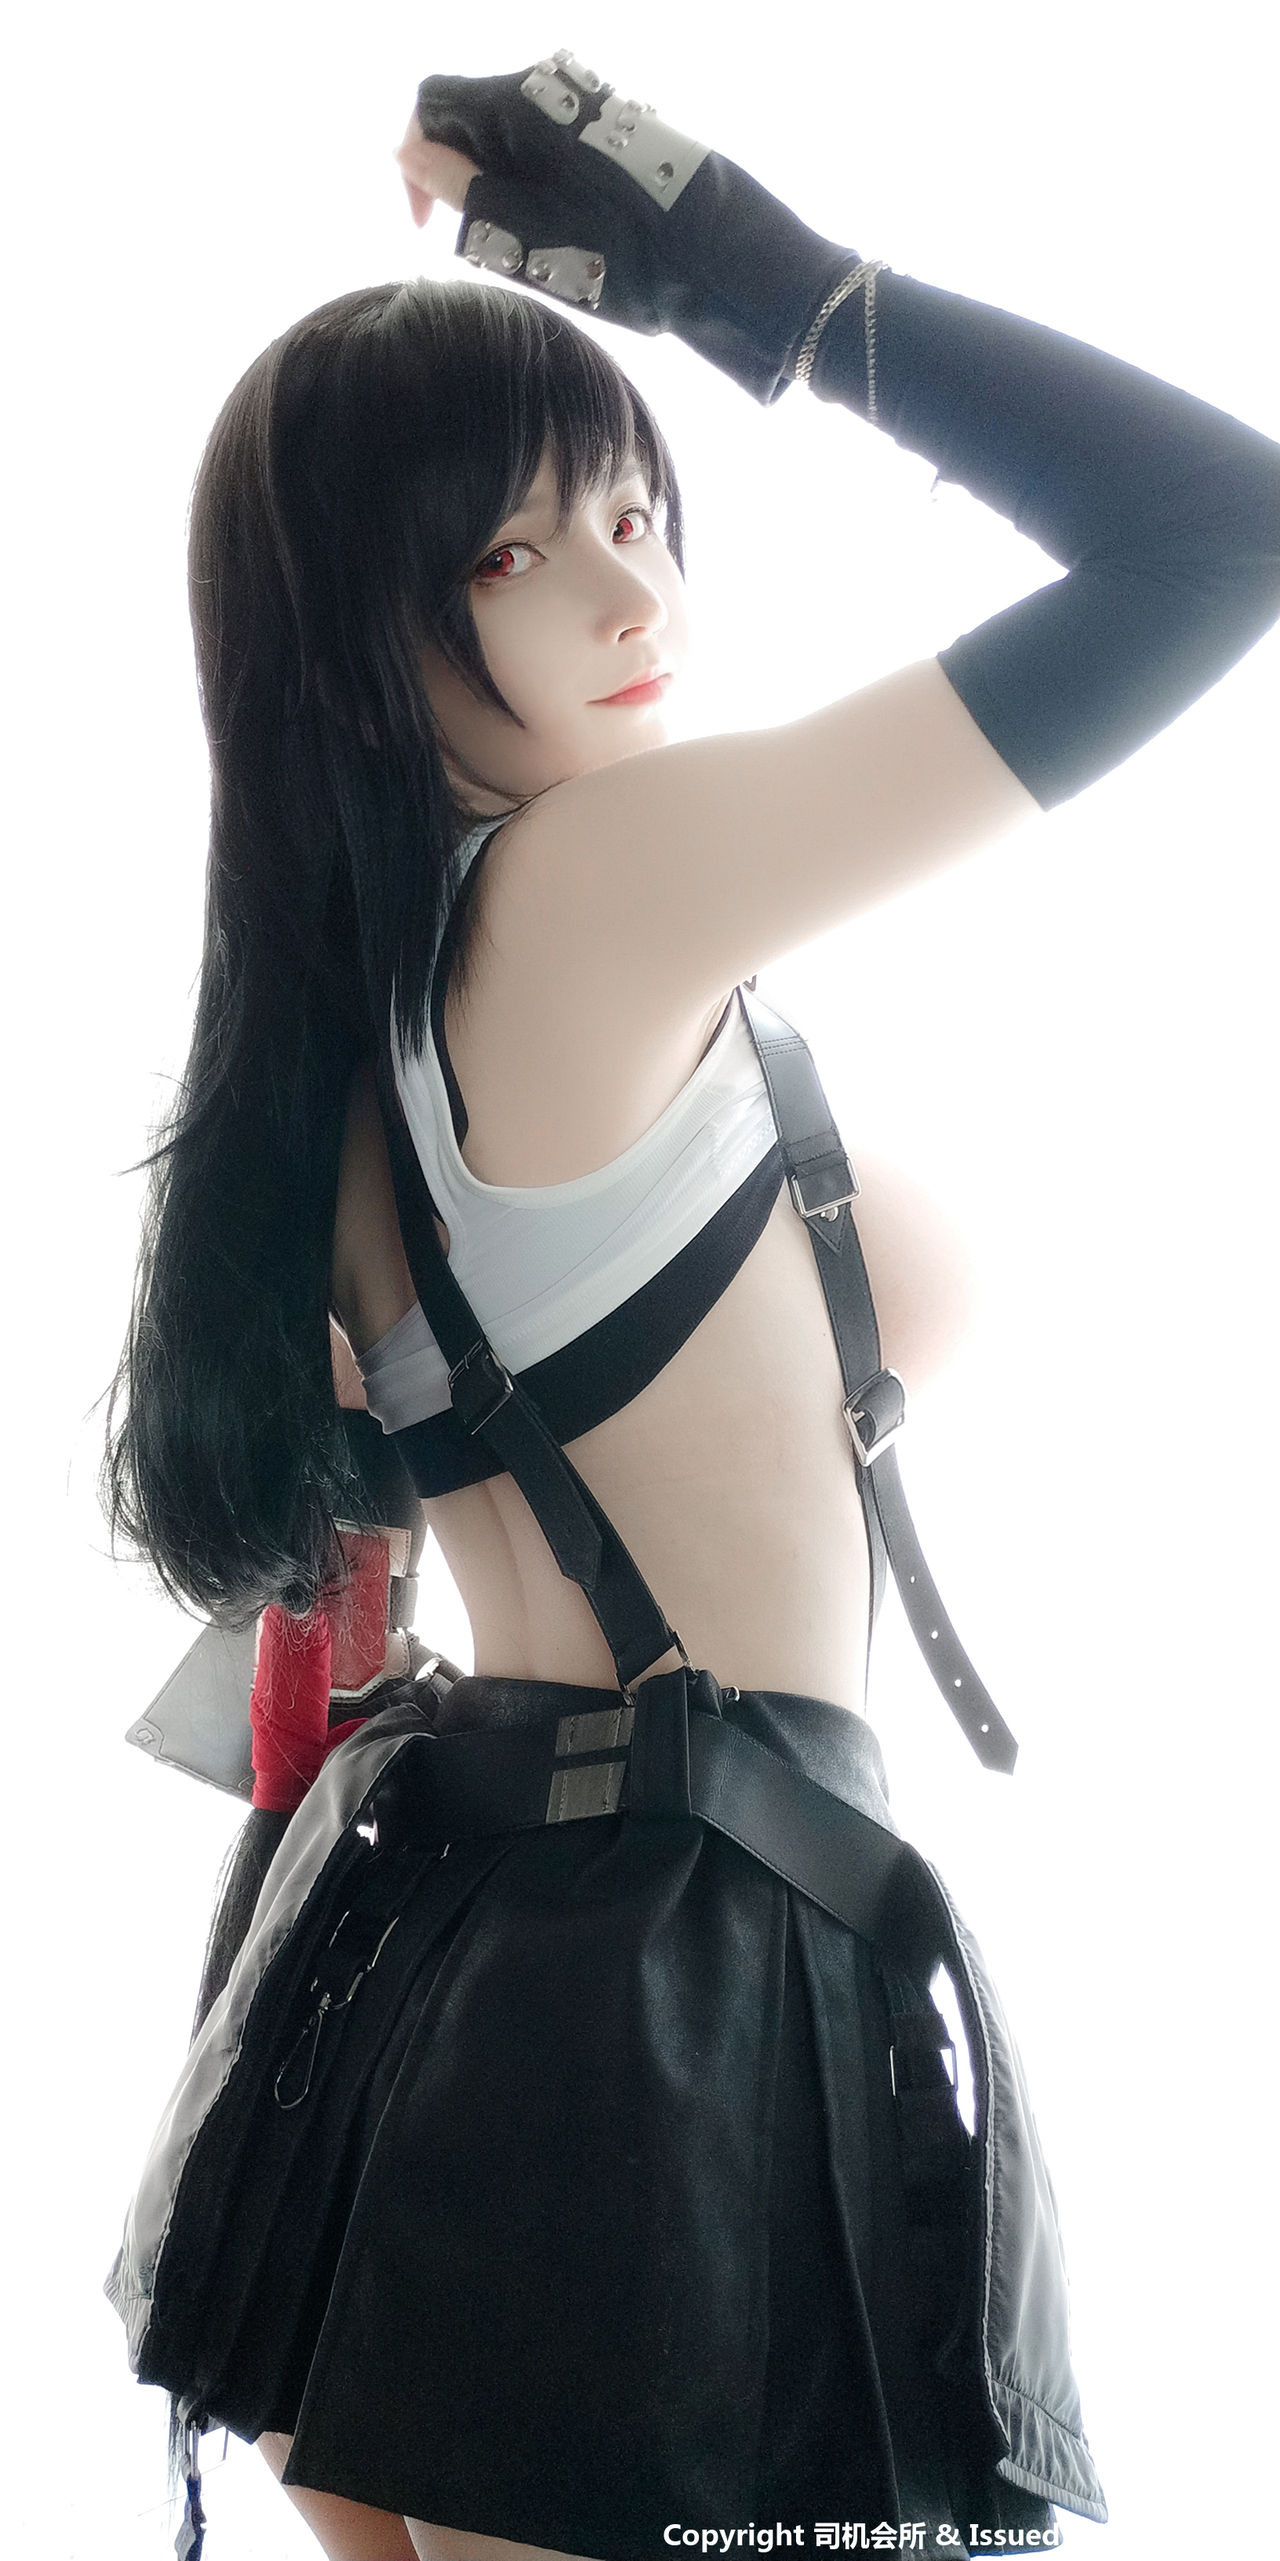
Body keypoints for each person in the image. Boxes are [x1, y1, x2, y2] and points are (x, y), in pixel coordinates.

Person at [100, 47, 1280, 2561]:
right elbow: (1220, 530)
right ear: (358, 611)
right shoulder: (592, 894)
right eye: (521, 548)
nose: (631, 592)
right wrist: (760, 284)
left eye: (640, 512)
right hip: (655, 2013)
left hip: (413, 1976)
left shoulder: (335, 1046)